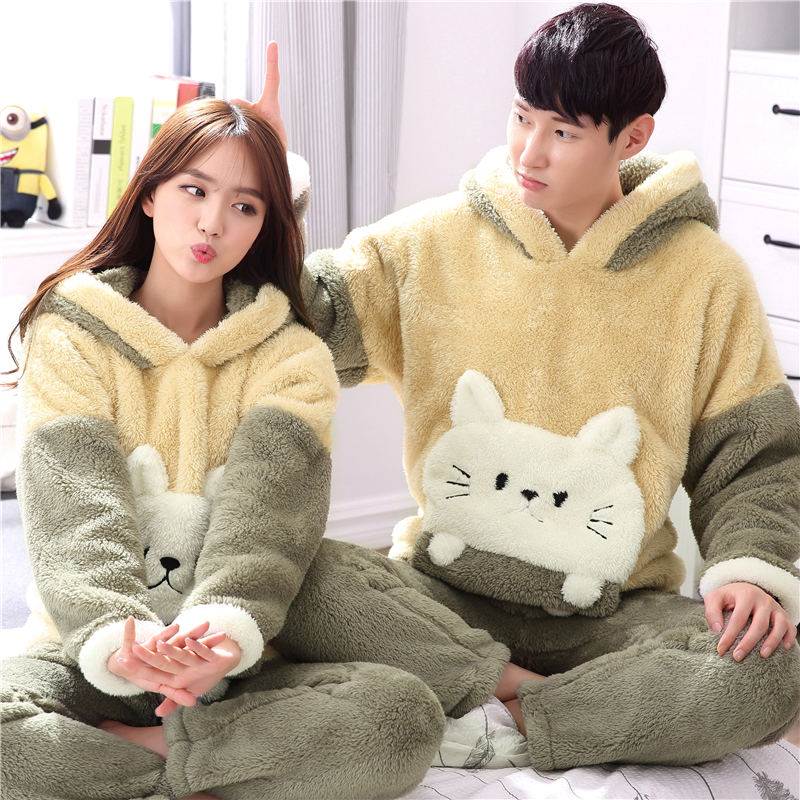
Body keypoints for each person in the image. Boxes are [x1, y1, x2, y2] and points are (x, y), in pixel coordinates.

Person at [262, 3, 800, 770]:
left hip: (613, 617)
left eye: (563, 132)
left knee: (771, 671)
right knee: (291, 570)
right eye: (522, 118)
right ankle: (525, 695)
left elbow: (753, 457)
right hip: (440, 594)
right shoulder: (427, 241)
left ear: (633, 137)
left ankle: (497, 716)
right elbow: (304, 321)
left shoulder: (707, 278)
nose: (530, 150)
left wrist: (750, 570)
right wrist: (268, 184)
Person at [0, 77, 511, 799]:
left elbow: (267, 523)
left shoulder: (292, 356)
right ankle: (218, 765)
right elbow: (75, 514)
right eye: (194, 191)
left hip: (234, 663)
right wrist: (119, 640)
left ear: (265, 225)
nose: (213, 223)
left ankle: (145, 757)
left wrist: (218, 638)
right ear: (149, 194)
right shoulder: (70, 332)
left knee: (398, 718)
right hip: (91, 651)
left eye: (244, 206)